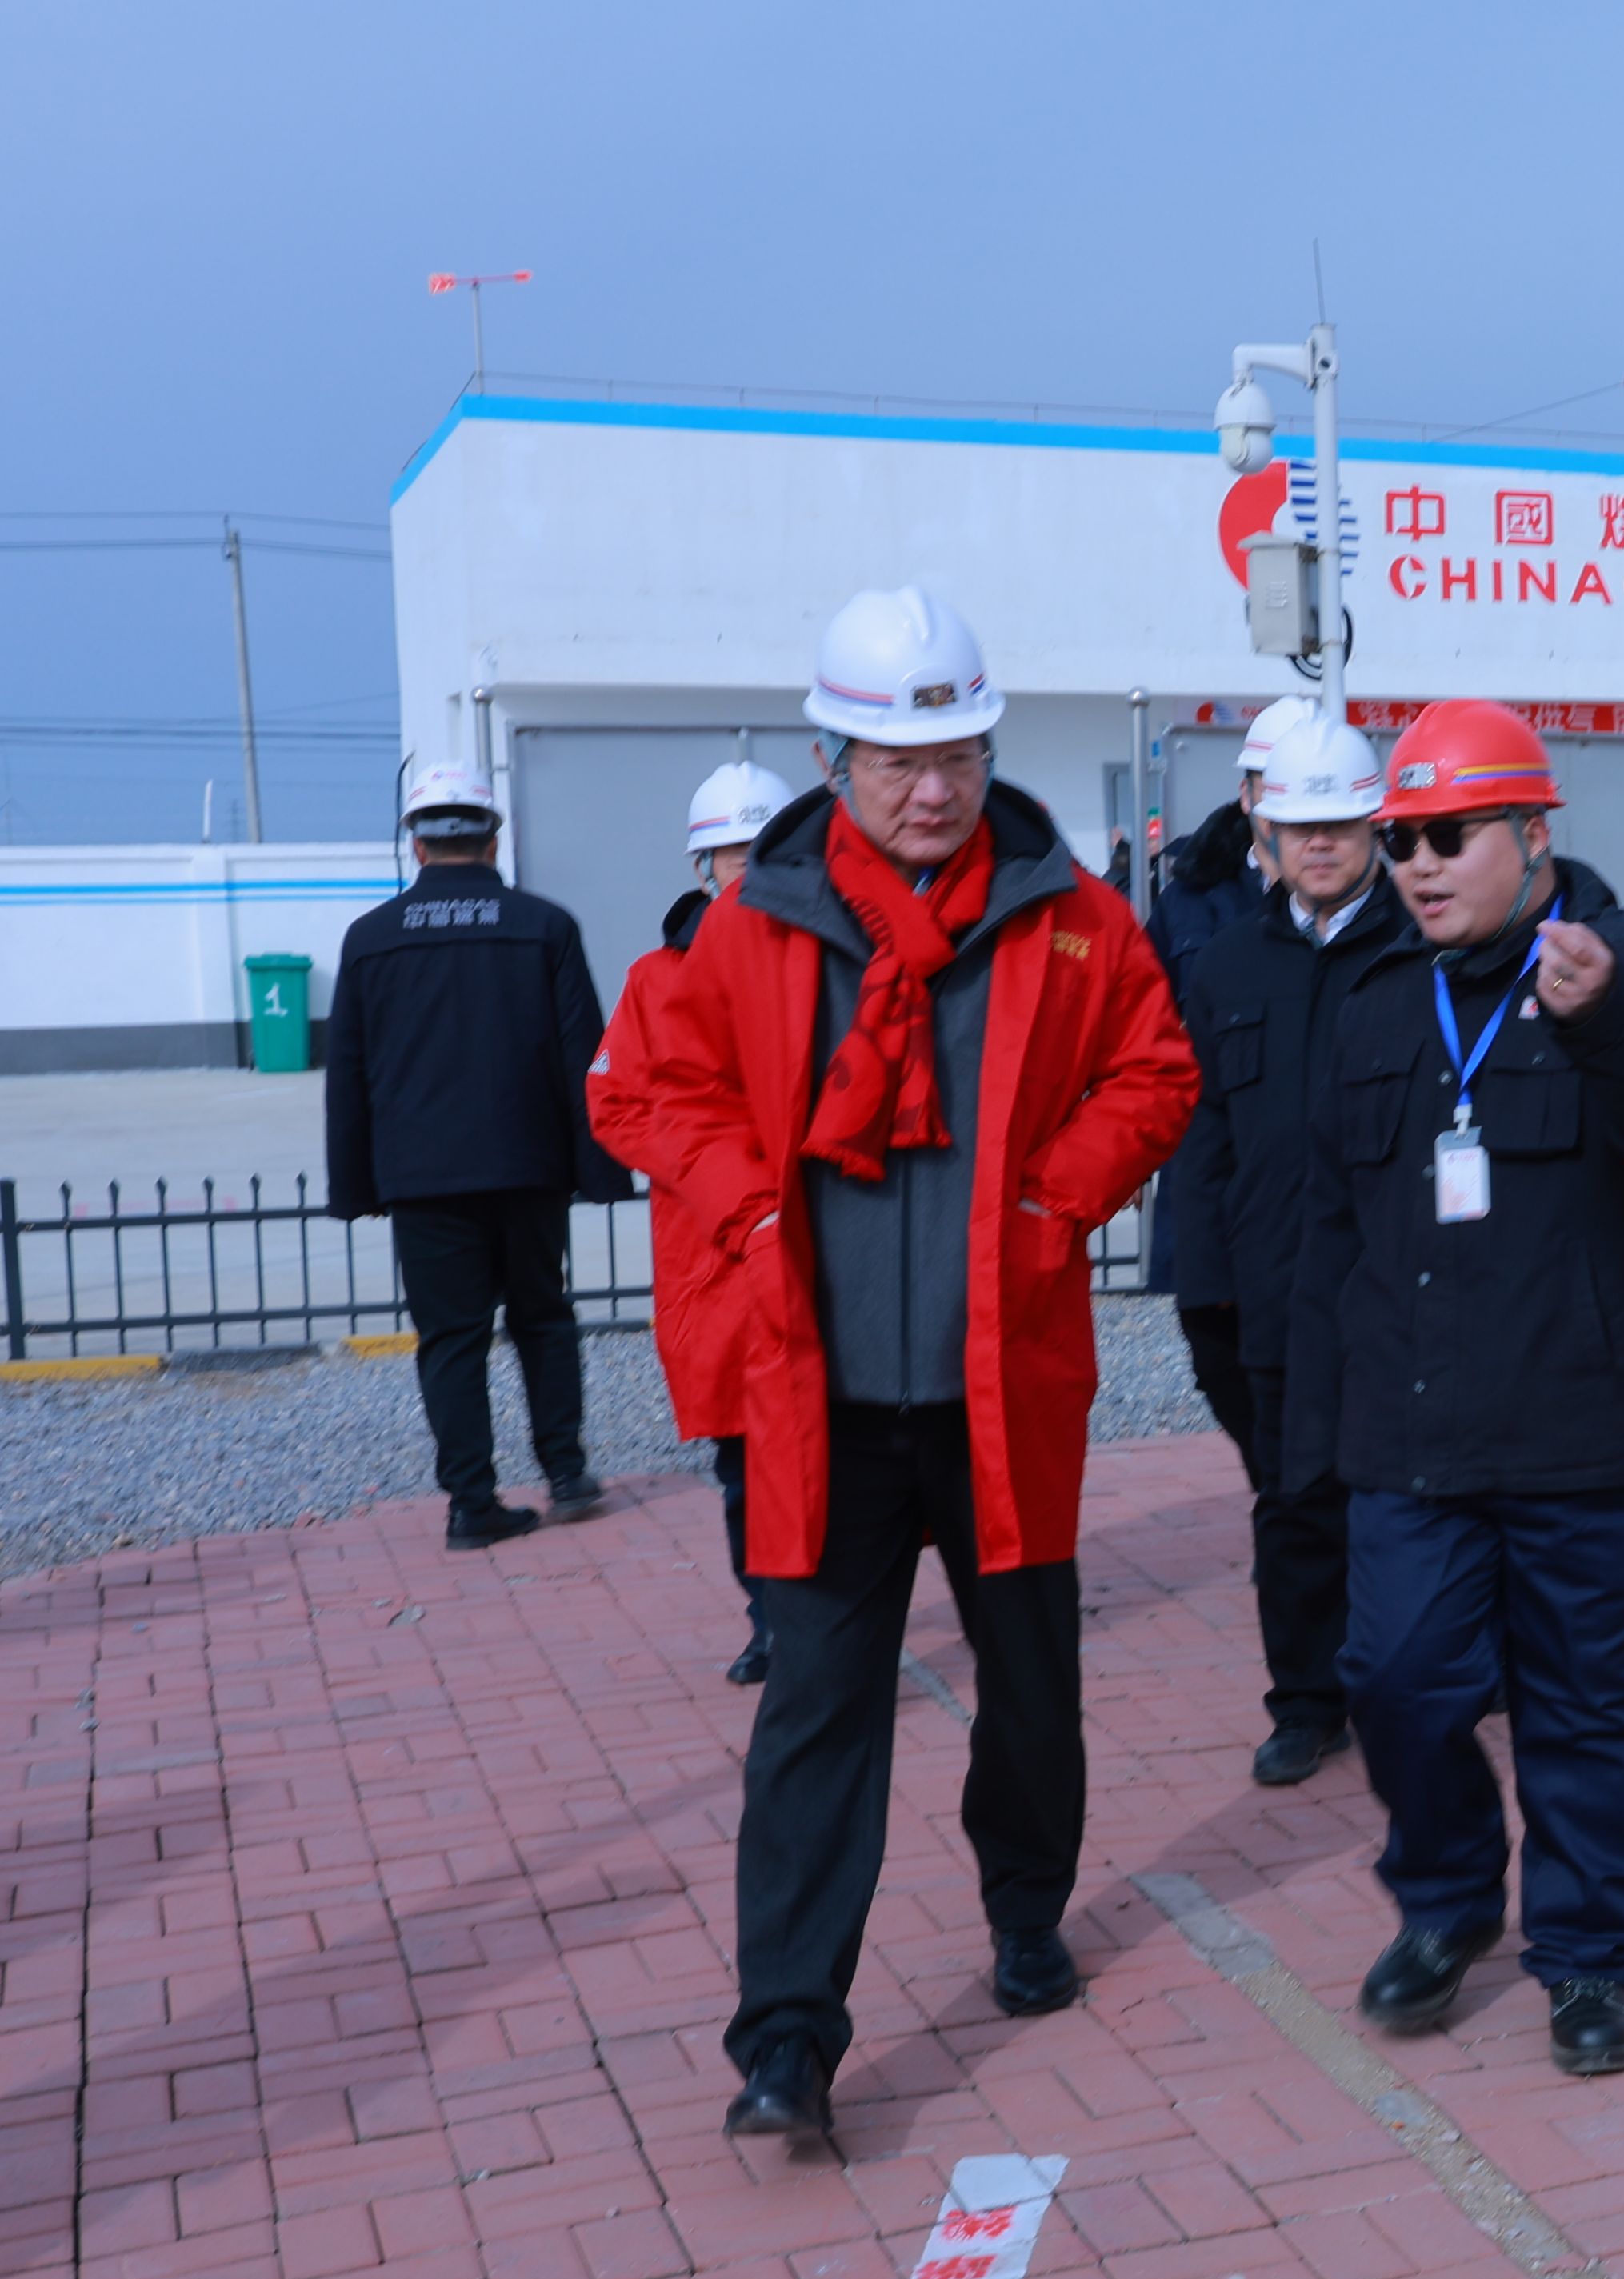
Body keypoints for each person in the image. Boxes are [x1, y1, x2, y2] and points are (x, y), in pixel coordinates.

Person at [646, 588, 1197, 2144]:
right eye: (897, 762)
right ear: (836, 761)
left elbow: (1157, 1070)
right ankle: (786, 2038)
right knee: (816, 1711)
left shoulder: (1072, 915)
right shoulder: (757, 923)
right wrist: (753, 1208)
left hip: (1001, 1393)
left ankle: (1027, 1910)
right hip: (820, 1405)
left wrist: (1053, 1201)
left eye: (957, 755)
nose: (932, 790)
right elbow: (660, 1088)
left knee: (1029, 1689)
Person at [1290, 699, 1624, 2077]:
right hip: (1413, 1434)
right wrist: (1316, 1430)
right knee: (1395, 1680)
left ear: (1534, 834)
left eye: (1451, 836)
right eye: (1402, 841)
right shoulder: (1373, 995)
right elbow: (1332, 1230)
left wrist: (1606, 1020)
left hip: (1589, 1435)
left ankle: (1589, 1960)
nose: (1420, 865)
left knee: (1587, 1712)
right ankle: (1447, 1899)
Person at [324, 762, 636, 1550]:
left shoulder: (370, 939)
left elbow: (349, 1073)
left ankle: (472, 1504)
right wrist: (602, 1169)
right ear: (495, 840)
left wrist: (355, 1186)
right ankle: (567, 1474)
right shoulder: (545, 926)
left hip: (423, 1177)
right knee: (543, 1317)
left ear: (416, 844)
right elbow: (583, 1055)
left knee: (451, 1339)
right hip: (529, 1166)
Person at [1177, 709, 1403, 1789]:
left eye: (1341, 825)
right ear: (1264, 830)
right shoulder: (1226, 965)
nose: (1320, 844)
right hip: (1272, 1288)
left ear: (1375, 828)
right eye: (1301, 826)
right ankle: (1307, 1703)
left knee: (1419, 1495)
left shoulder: (1424, 949)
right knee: (1294, 1503)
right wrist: (1204, 1284)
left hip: (1402, 1289)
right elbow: (1203, 1138)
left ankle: (1438, 1671)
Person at [585, 762, 792, 1684]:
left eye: (763, 851)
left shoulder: (838, 958)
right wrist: (719, 1174)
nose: (746, 871)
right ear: (703, 867)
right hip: (716, 1255)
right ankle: (773, 1618)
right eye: (731, 855)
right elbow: (616, 1105)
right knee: (745, 1456)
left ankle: (830, 1619)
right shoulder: (655, 982)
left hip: (820, 1237)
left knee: (843, 1451)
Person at [1145, 702, 1311, 1460]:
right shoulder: (1192, 896)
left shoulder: (1378, 899)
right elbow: (1145, 1023)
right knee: (1227, 1372)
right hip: (1215, 1183)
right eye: (1274, 786)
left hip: (1319, 1190)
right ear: (1246, 795)